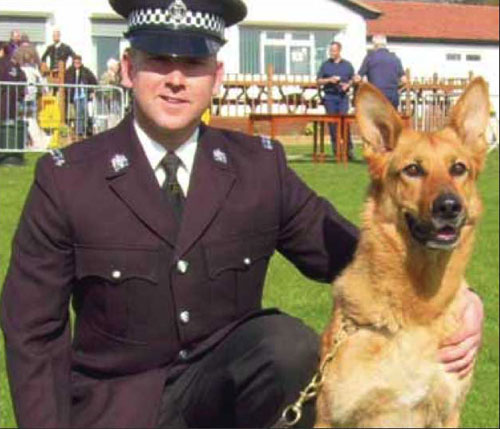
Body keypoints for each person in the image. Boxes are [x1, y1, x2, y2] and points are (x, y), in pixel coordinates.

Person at [0, 1, 484, 428]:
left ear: (217, 75)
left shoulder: (258, 168)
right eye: (158, 61)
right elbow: (33, 334)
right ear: (128, 68)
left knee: (289, 346)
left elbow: (365, 252)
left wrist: (460, 301)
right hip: (116, 411)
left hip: (222, 404)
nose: (175, 78)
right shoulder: (67, 180)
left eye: (192, 63)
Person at [317, 41, 355, 160]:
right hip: (330, 97)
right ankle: (336, 150)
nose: (332, 53)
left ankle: (349, 150)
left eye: (334, 51)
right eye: (330, 50)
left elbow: (353, 79)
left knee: (344, 122)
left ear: (339, 51)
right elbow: (318, 80)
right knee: (333, 124)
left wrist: (348, 85)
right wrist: (329, 80)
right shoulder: (325, 65)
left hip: (343, 97)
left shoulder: (347, 65)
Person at [355, 34, 407, 109]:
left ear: (374, 45)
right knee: (390, 119)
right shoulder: (395, 58)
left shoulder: (370, 57)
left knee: (376, 119)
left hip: (375, 94)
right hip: (392, 95)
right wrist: (396, 88)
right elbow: (404, 80)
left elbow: (357, 79)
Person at [65, 55, 98, 137]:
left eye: (78, 62)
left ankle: (86, 129)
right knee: (78, 112)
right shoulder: (69, 71)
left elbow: (93, 80)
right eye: (76, 62)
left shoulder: (85, 71)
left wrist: (92, 91)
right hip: (75, 95)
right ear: (73, 62)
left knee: (85, 111)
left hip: (84, 94)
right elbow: (67, 81)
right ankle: (79, 131)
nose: (77, 63)